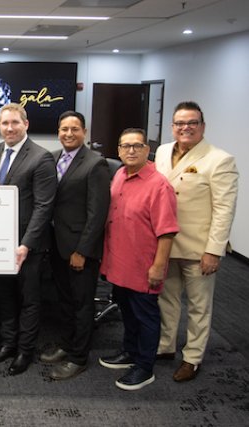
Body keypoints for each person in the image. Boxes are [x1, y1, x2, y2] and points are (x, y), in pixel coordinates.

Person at [155, 101, 239, 382]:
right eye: (179, 123)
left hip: (198, 248)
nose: (185, 128)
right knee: (167, 299)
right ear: (172, 126)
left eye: (191, 123)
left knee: (199, 306)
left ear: (203, 126)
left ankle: (192, 357)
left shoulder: (219, 159)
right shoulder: (163, 151)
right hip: (166, 244)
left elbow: (224, 210)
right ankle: (165, 346)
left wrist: (213, 251)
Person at [0, 103, 56, 376]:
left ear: (26, 124)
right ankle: (8, 343)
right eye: (4, 123)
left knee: (29, 300)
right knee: (5, 297)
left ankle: (25, 350)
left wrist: (26, 244)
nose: (9, 128)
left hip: (28, 246)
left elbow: (44, 207)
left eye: (14, 123)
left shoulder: (41, 157)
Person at [99, 128, 179, 390]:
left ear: (147, 149)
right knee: (127, 312)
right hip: (118, 263)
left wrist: (158, 267)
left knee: (146, 316)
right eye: (125, 146)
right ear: (119, 150)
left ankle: (145, 367)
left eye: (137, 146)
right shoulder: (120, 174)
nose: (130, 151)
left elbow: (167, 232)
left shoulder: (159, 185)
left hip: (144, 267)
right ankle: (129, 351)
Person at [39, 111, 110, 380]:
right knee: (64, 301)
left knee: (82, 304)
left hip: (80, 249)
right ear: (58, 131)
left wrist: (83, 251)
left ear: (84, 132)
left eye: (75, 129)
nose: (69, 133)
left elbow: (98, 214)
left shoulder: (95, 164)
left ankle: (79, 357)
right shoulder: (54, 158)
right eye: (64, 129)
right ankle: (66, 345)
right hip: (57, 244)